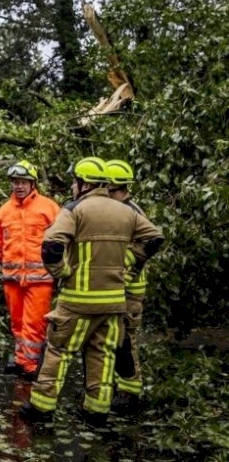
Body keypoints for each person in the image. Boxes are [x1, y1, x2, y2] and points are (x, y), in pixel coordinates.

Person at [19, 157, 164, 428]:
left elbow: (51, 246)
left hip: (77, 300)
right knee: (102, 354)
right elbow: (155, 237)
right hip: (113, 303)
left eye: (75, 181)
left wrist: (62, 272)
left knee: (58, 350)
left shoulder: (75, 210)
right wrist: (129, 263)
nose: (72, 186)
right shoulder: (127, 212)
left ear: (84, 183)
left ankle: (41, 407)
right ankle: (96, 412)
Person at [0, 160, 61, 380]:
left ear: (32, 183)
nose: (19, 186)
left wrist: (62, 268)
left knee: (34, 325)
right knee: (17, 323)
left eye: (23, 182)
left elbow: (62, 238)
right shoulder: (4, 211)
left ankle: (30, 364)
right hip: (12, 279)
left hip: (40, 279)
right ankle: (21, 359)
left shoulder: (49, 208)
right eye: (15, 182)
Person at [104, 159, 152, 414]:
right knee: (113, 339)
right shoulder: (117, 210)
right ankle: (115, 387)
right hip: (116, 286)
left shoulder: (132, 213)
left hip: (130, 289)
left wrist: (126, 267)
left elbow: (148, 244)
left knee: (125, 340)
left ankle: (130, 392)